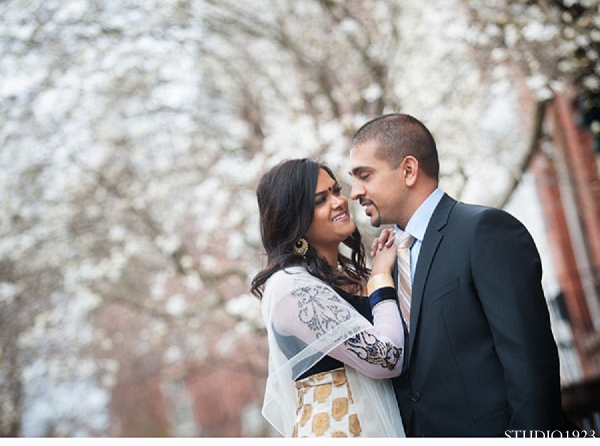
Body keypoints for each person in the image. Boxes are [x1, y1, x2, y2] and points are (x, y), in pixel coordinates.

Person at [348, 113, 577, 437]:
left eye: (364, 175)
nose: (355, 191)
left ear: (409, 170)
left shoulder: (485, 231)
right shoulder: (387, 264)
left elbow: (530, 364)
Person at [250, 158, 406, 437]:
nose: (339, 202)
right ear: (294, 220)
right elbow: (386, 358)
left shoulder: (352, 276)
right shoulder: (292, 289)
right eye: (321, 200)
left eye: (335, 191)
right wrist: (381, 277)